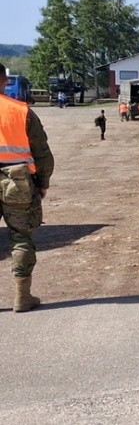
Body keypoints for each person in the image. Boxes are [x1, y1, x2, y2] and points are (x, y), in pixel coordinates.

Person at [0, 63, 54, 312]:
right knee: (21, 237)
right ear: (4, 81)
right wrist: (42, 182)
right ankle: (22, 297)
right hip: (18, 182)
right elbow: (41, 152)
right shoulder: (21, 112)